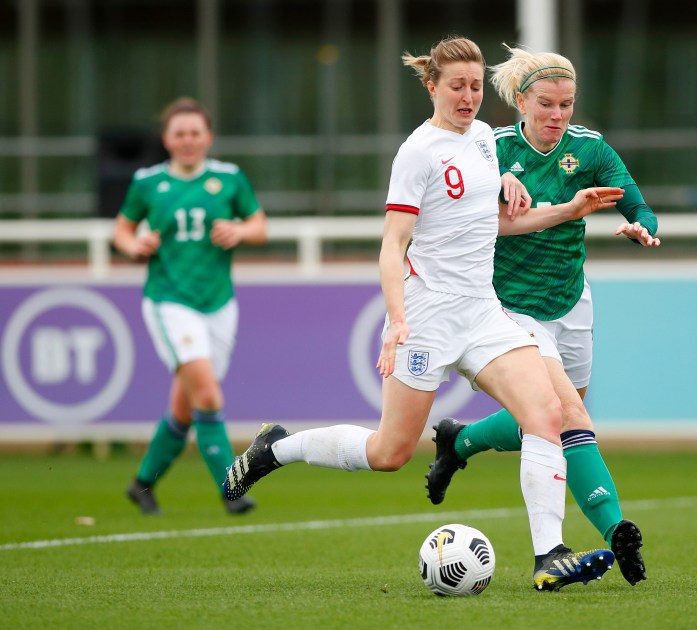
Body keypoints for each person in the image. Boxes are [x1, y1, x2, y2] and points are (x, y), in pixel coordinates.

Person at [222, 36, 625, 591]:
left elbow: (495, 225)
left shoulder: (485, 139)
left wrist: (568, 210)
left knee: (548, 413)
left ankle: (549, 554)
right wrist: (399, 321)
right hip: (428, 320)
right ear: (432, 86)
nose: (468, 98)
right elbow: (393, 245)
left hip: (483, 313)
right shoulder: (417, 153)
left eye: (476, 87)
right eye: (456, 86)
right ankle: (278, 447)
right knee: (390, 452)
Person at [423, 44, 661, 586]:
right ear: (522, 102)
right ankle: (612, 529)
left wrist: (639, 224)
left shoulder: (590, 150)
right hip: (511, 308)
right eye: (548, 104)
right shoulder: (491, 148)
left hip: (570, 301)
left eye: (568, 105)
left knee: (550, 415)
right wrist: (499, 181)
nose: (558, 116)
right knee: (570, 417)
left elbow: (636, 201)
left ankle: (460, 441)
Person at [113, 97, 268, 516]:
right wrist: (135, 244)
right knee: (209, 394)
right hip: (169, 302)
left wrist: (239, 230)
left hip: (218, 303)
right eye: (179, 133)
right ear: (166, 139)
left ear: (208, 137)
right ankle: (230, 487)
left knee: (186, 405)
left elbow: (259, 225)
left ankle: (142, 484)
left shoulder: (229, 178)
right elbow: (122, 231)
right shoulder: (148, 182)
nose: (188, 140)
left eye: (195, 133)